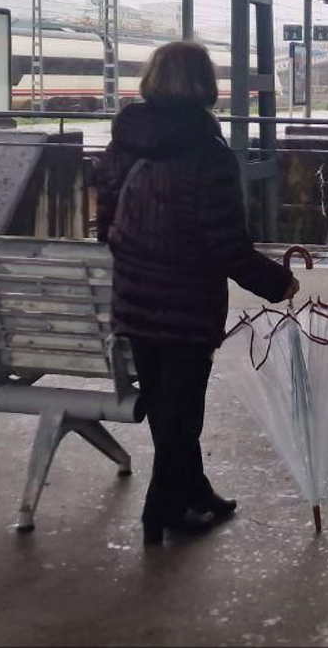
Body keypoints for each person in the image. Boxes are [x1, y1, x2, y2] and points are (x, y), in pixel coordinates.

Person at [96, 41, 299, 546]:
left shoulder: (125, 141)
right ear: (205, 87)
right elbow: (226, 245)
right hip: (185, 306)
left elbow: (105, 225)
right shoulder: (209, 154)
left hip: (134, 299)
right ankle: (161, 510)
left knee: (168, 409)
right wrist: (278, 284)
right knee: (181, 413)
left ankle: (195, 490)